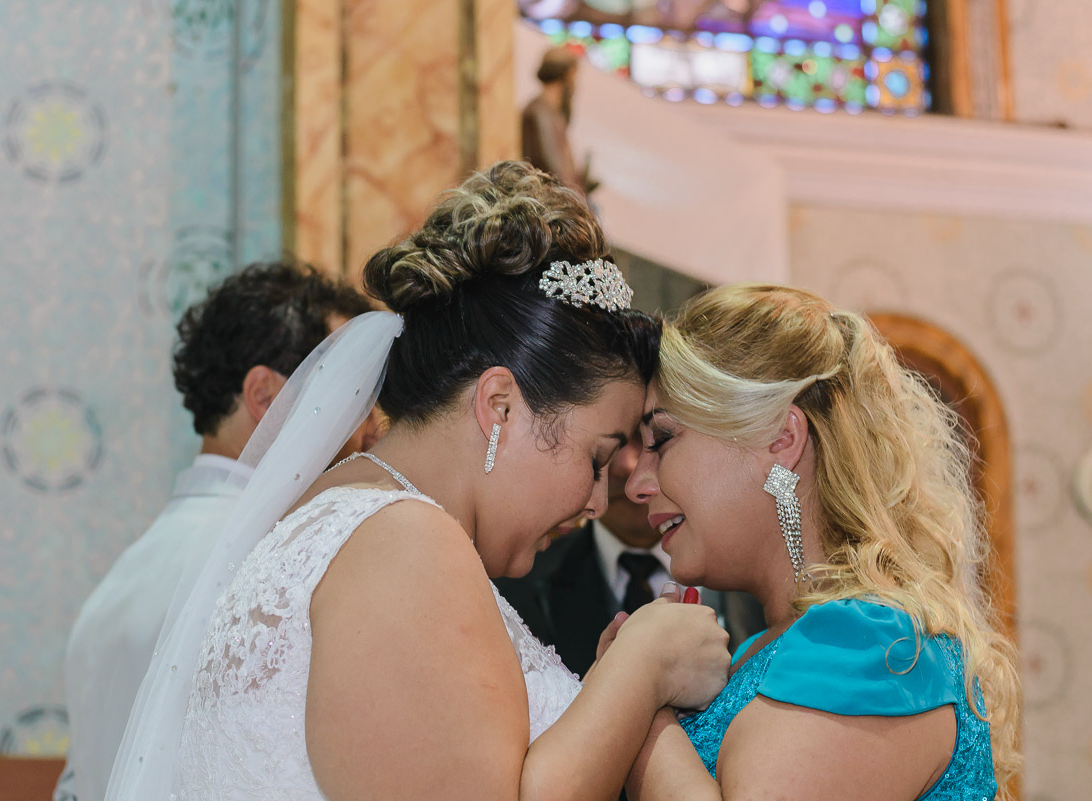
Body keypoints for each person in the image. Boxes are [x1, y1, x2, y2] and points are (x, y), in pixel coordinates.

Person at [105, 161, 731, 801]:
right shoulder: (403, 545)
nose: (598, 501)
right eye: (597, 459)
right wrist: (639, 671)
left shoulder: (349, 515)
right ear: (499, 406)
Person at [622, 284, 1021, 800]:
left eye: (661, 439)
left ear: (781, 439)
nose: (636, 483)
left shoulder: (872, 646)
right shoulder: (777, 646)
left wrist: (643, 694)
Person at [58, 262, 374, 801]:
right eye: (355, 394)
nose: (371, 429)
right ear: (264, 396)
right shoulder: (283, 561)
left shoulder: (118, 582)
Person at [496, 433, 765, 677]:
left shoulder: (760, 572)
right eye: (605, 451)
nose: (628, 466)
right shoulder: (514, 591)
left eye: (657, 441)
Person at [521, 46, 593, 196]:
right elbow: (556, 174)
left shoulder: (553, 112)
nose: (575, 86)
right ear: (565, 77)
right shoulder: (539, 113)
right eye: (574, 78)